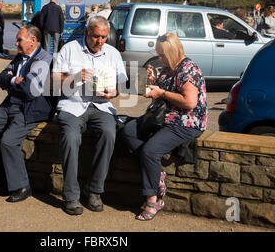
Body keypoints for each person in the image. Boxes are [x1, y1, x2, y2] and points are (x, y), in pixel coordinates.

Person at [120, 32, 207, 221]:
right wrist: (154, 81)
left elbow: (189, 102)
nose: (159, 58)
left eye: (161, 55)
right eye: (158, 54)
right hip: (165, 117)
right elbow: (165, 89)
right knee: (128, 131)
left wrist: (161, 93)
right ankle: (157, 175)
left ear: (173, 52)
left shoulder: (188, 69)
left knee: (150, 151)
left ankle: (153, 198)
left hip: (187, 121)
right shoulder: (168, 66)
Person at [51, 15, 128, 215]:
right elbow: (52, 82)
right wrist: (74, 77)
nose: (100, 41)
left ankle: (94, 190)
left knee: (109, 134)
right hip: (72, 105)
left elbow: (121, 85)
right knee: (70, 138)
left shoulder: (112, 53)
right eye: (95, 36)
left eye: (103, 37)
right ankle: (71, 195)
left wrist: (115, 92)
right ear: (86, 33)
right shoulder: (69, 49)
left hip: (102, 106)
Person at [0, 24, 53, 202]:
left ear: (33, 41)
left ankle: (22, 186)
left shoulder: (44, 58)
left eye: (19, 40)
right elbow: (0, 78)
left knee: (8, 142)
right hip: (10, 104)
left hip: (30, 108)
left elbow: (29, 90)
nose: (16, 43)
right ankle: (1, 178)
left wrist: (11, 82)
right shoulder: (19, 57)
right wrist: (12, 79)